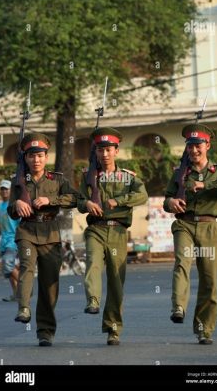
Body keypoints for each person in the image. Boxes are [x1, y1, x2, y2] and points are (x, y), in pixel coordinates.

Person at [163, 124, 217, 345]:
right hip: (184, 225)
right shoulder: (179, 173)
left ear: (208, 145)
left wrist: (206, 184)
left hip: (208, 227)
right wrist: (172, 202)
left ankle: (203, 328)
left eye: (198, 146)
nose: (194, 151)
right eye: (190, 146)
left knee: (209, 280)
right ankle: (178, 306)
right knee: (182, 262)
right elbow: (167, 200)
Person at [7, 133, 80, 347]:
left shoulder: (58, 179)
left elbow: (76, 199)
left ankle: (45, 331)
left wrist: (52, 199)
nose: (35, 160)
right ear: (26, 158)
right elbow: (11, 211)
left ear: (46, 157)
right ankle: (23, 307)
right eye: (31, 156)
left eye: (39, 155)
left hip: (50, 233)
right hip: (27, 231)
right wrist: (17, 205)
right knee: (27, 267)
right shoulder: (18, 181)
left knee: (49, 284)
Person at [77, 127, 148, 345]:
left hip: (117, 231)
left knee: (116, 282)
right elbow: (78, 201)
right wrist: (86, 202)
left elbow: (142, 195)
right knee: (93, 263)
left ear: (116, 150)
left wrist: (119, 201)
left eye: (108, 149)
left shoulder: (127, 177)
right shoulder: (88, 175)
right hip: (95, 229)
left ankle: (113, 329)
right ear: (96, 152)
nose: (104, 154)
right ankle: (93, 300)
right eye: (100, 149)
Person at [0, 180, 20, 301]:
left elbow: (21, 223)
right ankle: (16, 294)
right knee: (9, 270)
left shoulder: (15, 204)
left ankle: (25, 288)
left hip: (13, 240)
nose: (4, 191)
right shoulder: (1, 206)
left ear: (11, 191)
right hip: (4, 241)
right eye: (2, 189)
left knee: (8, 265)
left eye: (6, 189)